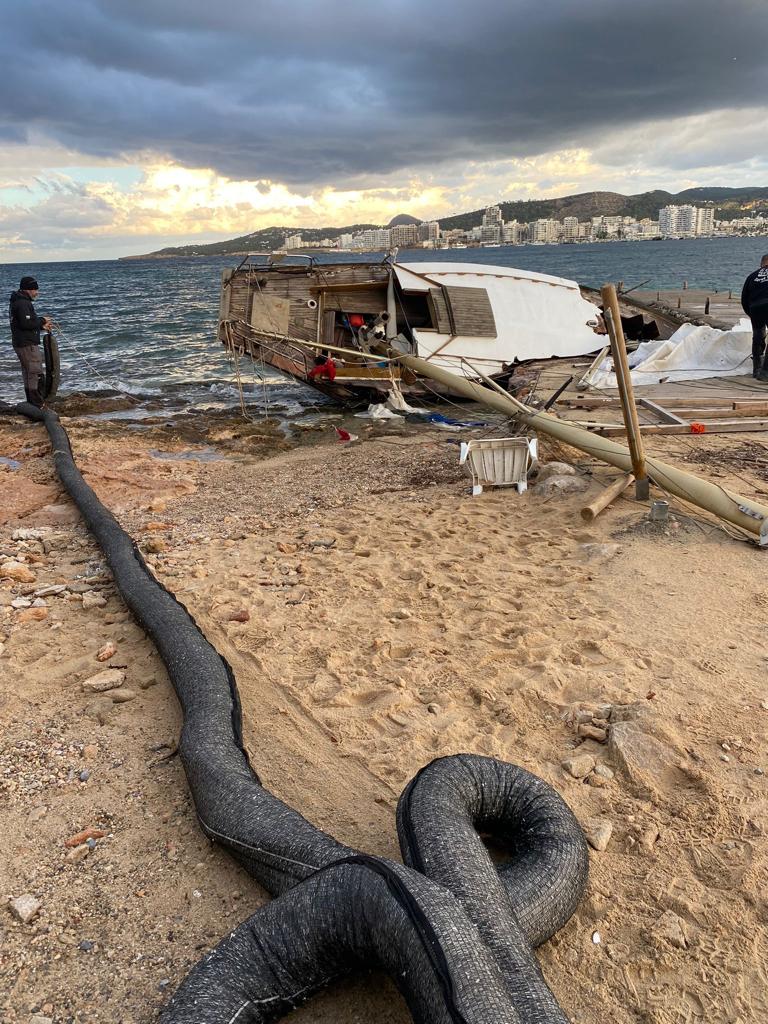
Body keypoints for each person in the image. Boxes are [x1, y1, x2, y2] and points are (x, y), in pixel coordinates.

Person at [9, 275, 53, 407]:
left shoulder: (18, 301)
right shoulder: (23, 303)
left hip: (21, 342)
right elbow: (25, 323)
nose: (37, 292)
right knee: (34, 371)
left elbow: (24, 323)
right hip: (27, 344)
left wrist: (40, 326)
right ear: (28, 289)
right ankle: (38, 403)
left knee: (28, 372)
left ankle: (32, 402)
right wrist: (42, 320)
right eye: (35, 289)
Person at [741, 254, 768, 381]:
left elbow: (744, 298)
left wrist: (751, 313)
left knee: (758, 335)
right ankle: (765, 372)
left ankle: (757, 369)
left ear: (762, 263)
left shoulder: (752, 276)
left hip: (756, 307)